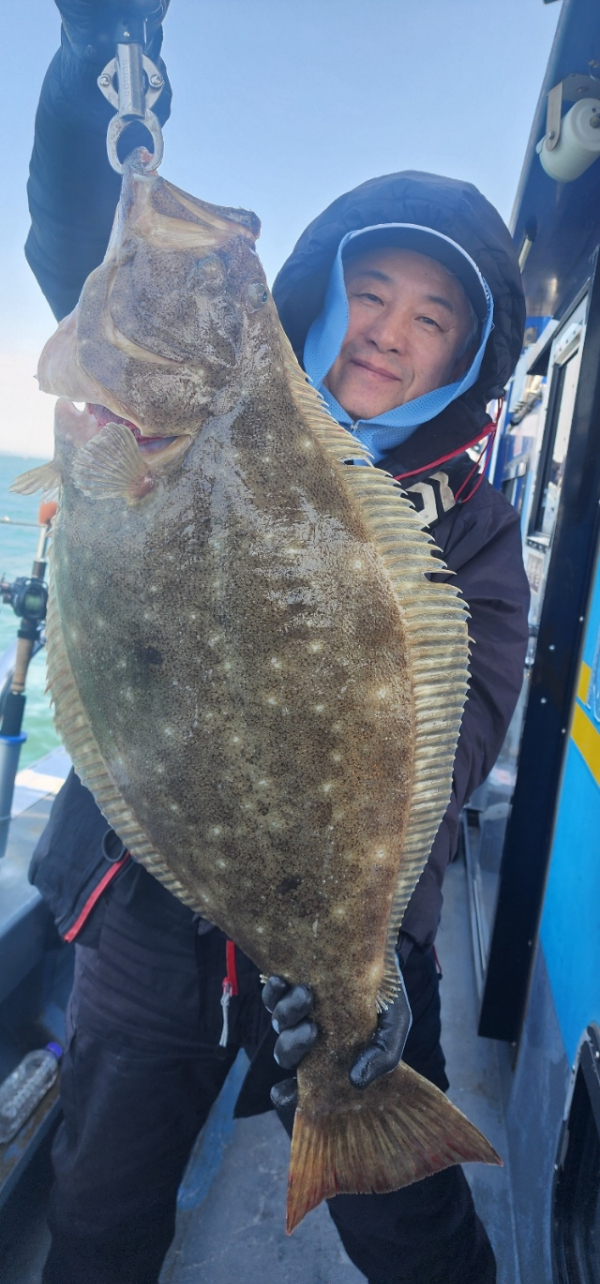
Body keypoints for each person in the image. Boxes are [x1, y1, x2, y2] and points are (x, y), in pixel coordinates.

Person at [25, 5, 530, 1282]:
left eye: (431, 321)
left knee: (410, 1222)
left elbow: (465, 715)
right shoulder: (179, 411)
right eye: (369, 293)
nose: (386, 332)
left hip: (354, 923)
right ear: (322, 291)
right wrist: (99, 60)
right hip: (144, 903)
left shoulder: (470, 518)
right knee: (104, 1195)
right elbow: (73, 227)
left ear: (464, 360)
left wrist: (366, 956)